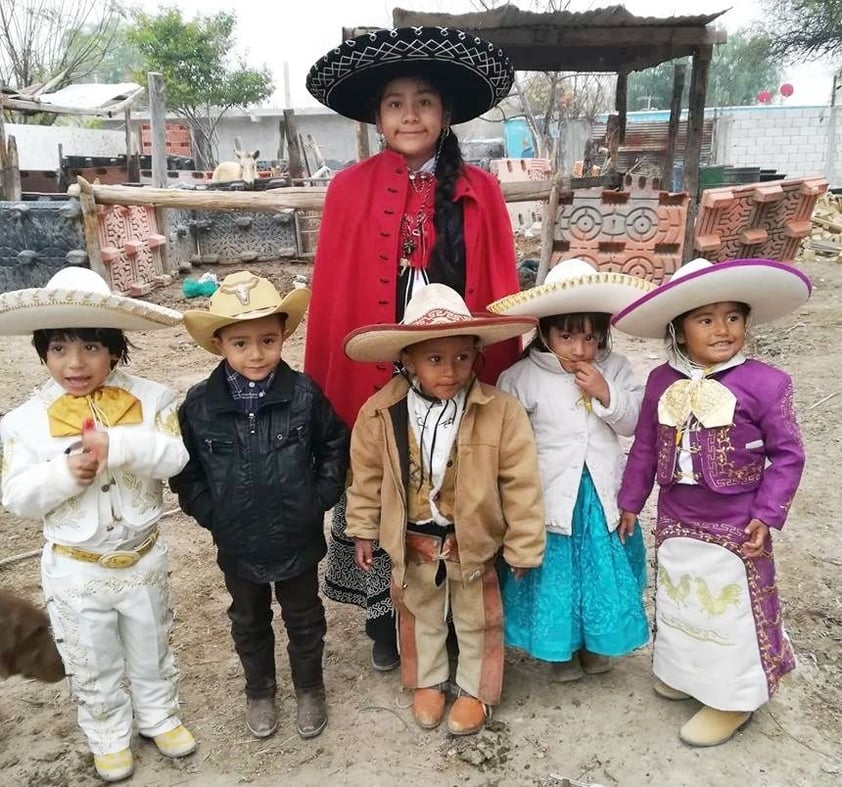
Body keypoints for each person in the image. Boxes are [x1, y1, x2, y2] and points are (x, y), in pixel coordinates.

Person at [304, 26, 522, 671]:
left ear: (445, 112)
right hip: (374, 355)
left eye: (423, 100)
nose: (409, 115)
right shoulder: (348, 187)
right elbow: (333, 290)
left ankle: (454, 608)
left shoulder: (480, 187)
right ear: (377, 116)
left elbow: (500, 282)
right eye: (395, 102)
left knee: (450, 476)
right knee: (378, 469)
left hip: (454, 351)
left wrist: (499, 366)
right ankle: (382, 612)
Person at [0, 266, 195, 783]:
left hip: (142, 555)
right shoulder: (21, 422)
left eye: (90, 346)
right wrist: (65, 473)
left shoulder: (152, 398)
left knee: (151, 641)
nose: (76, 362)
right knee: (91, 655)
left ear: (115, 347)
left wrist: (121, 447)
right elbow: (16, 495)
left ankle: (159, 714)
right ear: (42, 351)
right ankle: (107, 731)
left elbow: (174, 457)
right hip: (76, 567)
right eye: (59, 347)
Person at [613, 257, 810, 747]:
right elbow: (644, 446)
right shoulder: (661, 381)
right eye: (705, 319)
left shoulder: (766, 383)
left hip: (736, 523)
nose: (723, 329)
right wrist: (632, 501)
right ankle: (686, 672)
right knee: (685, 601)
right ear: (678, 330)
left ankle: (734, 697)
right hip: (679, 520)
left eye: (733, 317)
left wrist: (767, 513)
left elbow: (788, 455)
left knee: (731, 611)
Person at [343, 283, 545, 735]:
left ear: (477, 356)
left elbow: (521, 484)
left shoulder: (501, 412)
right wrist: (363, 529)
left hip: (471, 540)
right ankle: (428, 681)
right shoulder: (380, 412)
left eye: (461, 357)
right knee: (420, 613)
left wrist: (524, 546)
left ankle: (476, 690)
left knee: (479, 616)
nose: (450, 370)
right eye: (434, 359)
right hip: (413, 537)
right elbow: (366, 478)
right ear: (408, 359)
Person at [171, 271, 349, 742]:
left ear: (283, 337)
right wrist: (210, 511)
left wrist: (319, 497)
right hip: (237, 537)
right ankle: (260, 689)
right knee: (248, 618)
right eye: (242, 343)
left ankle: (310, 687)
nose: (256, 354)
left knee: (304, 616)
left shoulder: (304, 394)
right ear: (219, 344)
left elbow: (335, 444)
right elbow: (184, 469)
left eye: (268, 340)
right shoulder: (200, 406)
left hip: (297, 532)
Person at [489, 258, 654, 680]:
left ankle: (597, 644)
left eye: (591, 337)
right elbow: (508, 443)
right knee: (556, 577)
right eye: (566, 336)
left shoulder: (615, 369)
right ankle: (559, 651)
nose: (580, 350)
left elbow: (635, 422)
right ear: (543, 331)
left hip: (600, 496)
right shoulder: (520, 377)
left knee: (599, 571)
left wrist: (606, 392)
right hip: (549, 496)